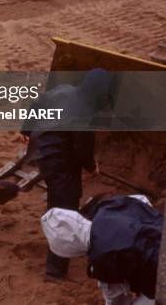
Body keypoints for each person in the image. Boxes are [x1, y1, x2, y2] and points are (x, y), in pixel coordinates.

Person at [21, 69, 113, 280]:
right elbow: (82, 147)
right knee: (66, 210)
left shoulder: (64, 91)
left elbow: (37, 104)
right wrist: (91, 167)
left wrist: (26, 130)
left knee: (60, 198)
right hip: (57, 160)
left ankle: (54, 222)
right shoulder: (85, 111)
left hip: (41, 151)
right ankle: (55, 271)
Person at [41, 194, 163, 304]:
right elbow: (142, 200)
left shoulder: (101, 259)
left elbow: (117, 299)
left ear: (71, 249)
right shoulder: (108, 206)